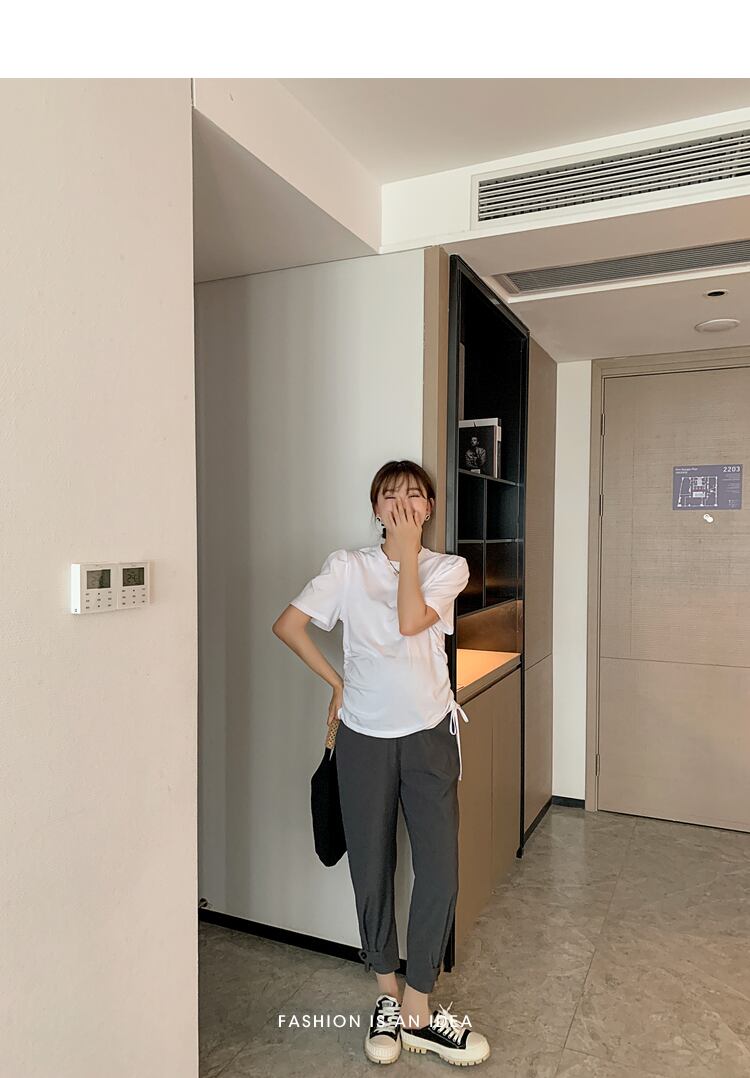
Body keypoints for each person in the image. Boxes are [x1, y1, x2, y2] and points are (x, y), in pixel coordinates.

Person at [272, 459, 490, 1067]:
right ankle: (387, 996)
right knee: (371, 871)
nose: (402, 504)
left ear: (429, 508)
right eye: (390, 496)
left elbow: (410, 620)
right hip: (363, 738)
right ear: (375, 509)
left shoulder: (447, 568)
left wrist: (408, 551)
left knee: (439, 870)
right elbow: (288, 625)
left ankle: (419, 1007)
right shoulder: (347, 567)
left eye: (414, 496)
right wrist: (336, 683)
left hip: (428, 735)